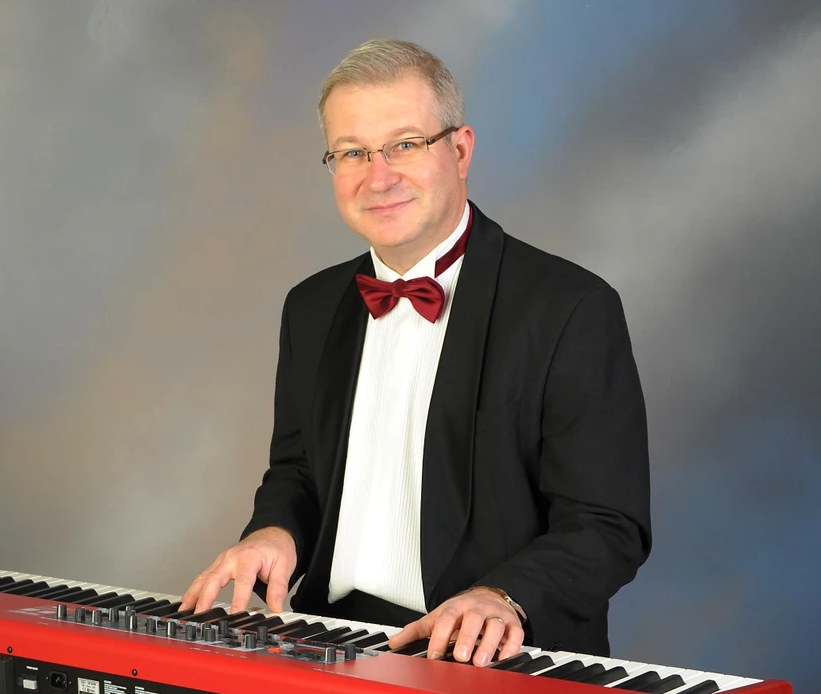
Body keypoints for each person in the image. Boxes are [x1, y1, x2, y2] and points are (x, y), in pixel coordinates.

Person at [180, 39, 651, 667]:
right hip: (328, 646)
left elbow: (607, 523)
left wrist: (502, 597)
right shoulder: (310, 307)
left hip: (495, 656)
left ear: (460, 151)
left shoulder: (571, 307)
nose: (378, 177)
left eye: (404, 144)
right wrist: (274, 531)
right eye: (352, 152)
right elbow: (297, 472)